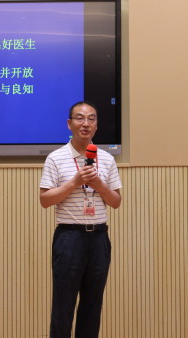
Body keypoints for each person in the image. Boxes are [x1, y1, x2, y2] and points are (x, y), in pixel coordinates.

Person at [39, 101, 122, 338]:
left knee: (93, 305)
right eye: (80, 118)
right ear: (69, 123)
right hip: (69, 237)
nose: (86, 124)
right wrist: (74, 182)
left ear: (96, 125)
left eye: (91, 119)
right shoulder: (56, 158)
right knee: (63, 306)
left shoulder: (106, 159)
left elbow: (116, 201)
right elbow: (45, 200)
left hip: (99, 238)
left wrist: (100, 185)